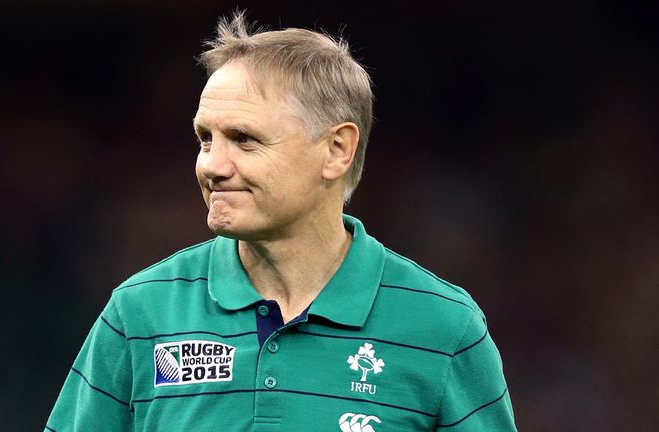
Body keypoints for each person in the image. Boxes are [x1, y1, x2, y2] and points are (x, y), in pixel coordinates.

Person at [45, 12, 517, 432]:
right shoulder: (139, 314)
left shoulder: (444, 327)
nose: (211, 165)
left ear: (337, 150)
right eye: (205, 138)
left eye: (244, 139)